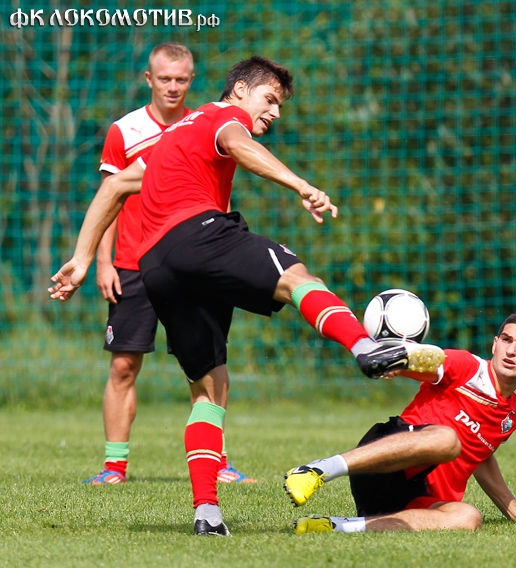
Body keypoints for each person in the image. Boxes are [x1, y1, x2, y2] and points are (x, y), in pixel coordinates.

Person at [48, 55, 446, 536]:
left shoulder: (174, 135)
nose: (275, 113)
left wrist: (82, 257)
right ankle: (365, 347)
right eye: (270, 99)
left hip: (154, 266)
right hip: (197, 235)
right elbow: (237, 144)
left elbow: (114, 187)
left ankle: (208, 514)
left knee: (210, 388)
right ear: (240, 89)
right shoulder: (224, 117)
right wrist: (301, 185)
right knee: (297, 276)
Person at [86, 41, 255, 486]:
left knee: (206, 364)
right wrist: (103, 263)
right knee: (124, 365)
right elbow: (111, 197)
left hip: (199, 260)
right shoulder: (124, 130)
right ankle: (113, 468)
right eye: (165, 79)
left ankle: (217, 463)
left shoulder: (210, 122)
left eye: (182, 79)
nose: (174, 87)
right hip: (133, 263)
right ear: (149, 79)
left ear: (192, 80)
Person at [285, 310, 516, 533]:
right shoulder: (467, 367)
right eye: (507, 340)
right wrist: (397, 361)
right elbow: (431, 364)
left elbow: (481, 455)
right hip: (385, 462)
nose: (511, 351)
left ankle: (337, 526)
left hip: (414, 501)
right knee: (447, 440)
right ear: (495, 343)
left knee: (468, 517)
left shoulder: (515, 412)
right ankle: (318, 470)